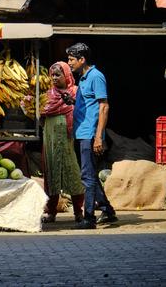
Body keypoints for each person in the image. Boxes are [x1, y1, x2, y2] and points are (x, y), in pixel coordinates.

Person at [66, 42, 117, 229]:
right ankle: (108, 210)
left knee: (87, 177)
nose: (69, 63)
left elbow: (104, 107)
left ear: (82, 59)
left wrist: (98, 137)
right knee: (89, 175)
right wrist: (71, 100)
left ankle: (89, 218)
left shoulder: (96, 77)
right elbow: (88, 105)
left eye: (72, 60)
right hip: (81, 133)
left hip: (89, 134)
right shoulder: (83, 78)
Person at [40, 61, 85, 223]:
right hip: (51, 139)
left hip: (70, 139)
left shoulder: (76, 92)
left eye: (58, 74)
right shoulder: (47, 95)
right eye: (52, 75)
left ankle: (78, 212)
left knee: (73, 172)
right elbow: (41, 117)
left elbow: (83, 111)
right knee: (52, 173)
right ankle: (51, 212)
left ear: (67, 75)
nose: (54, 78)